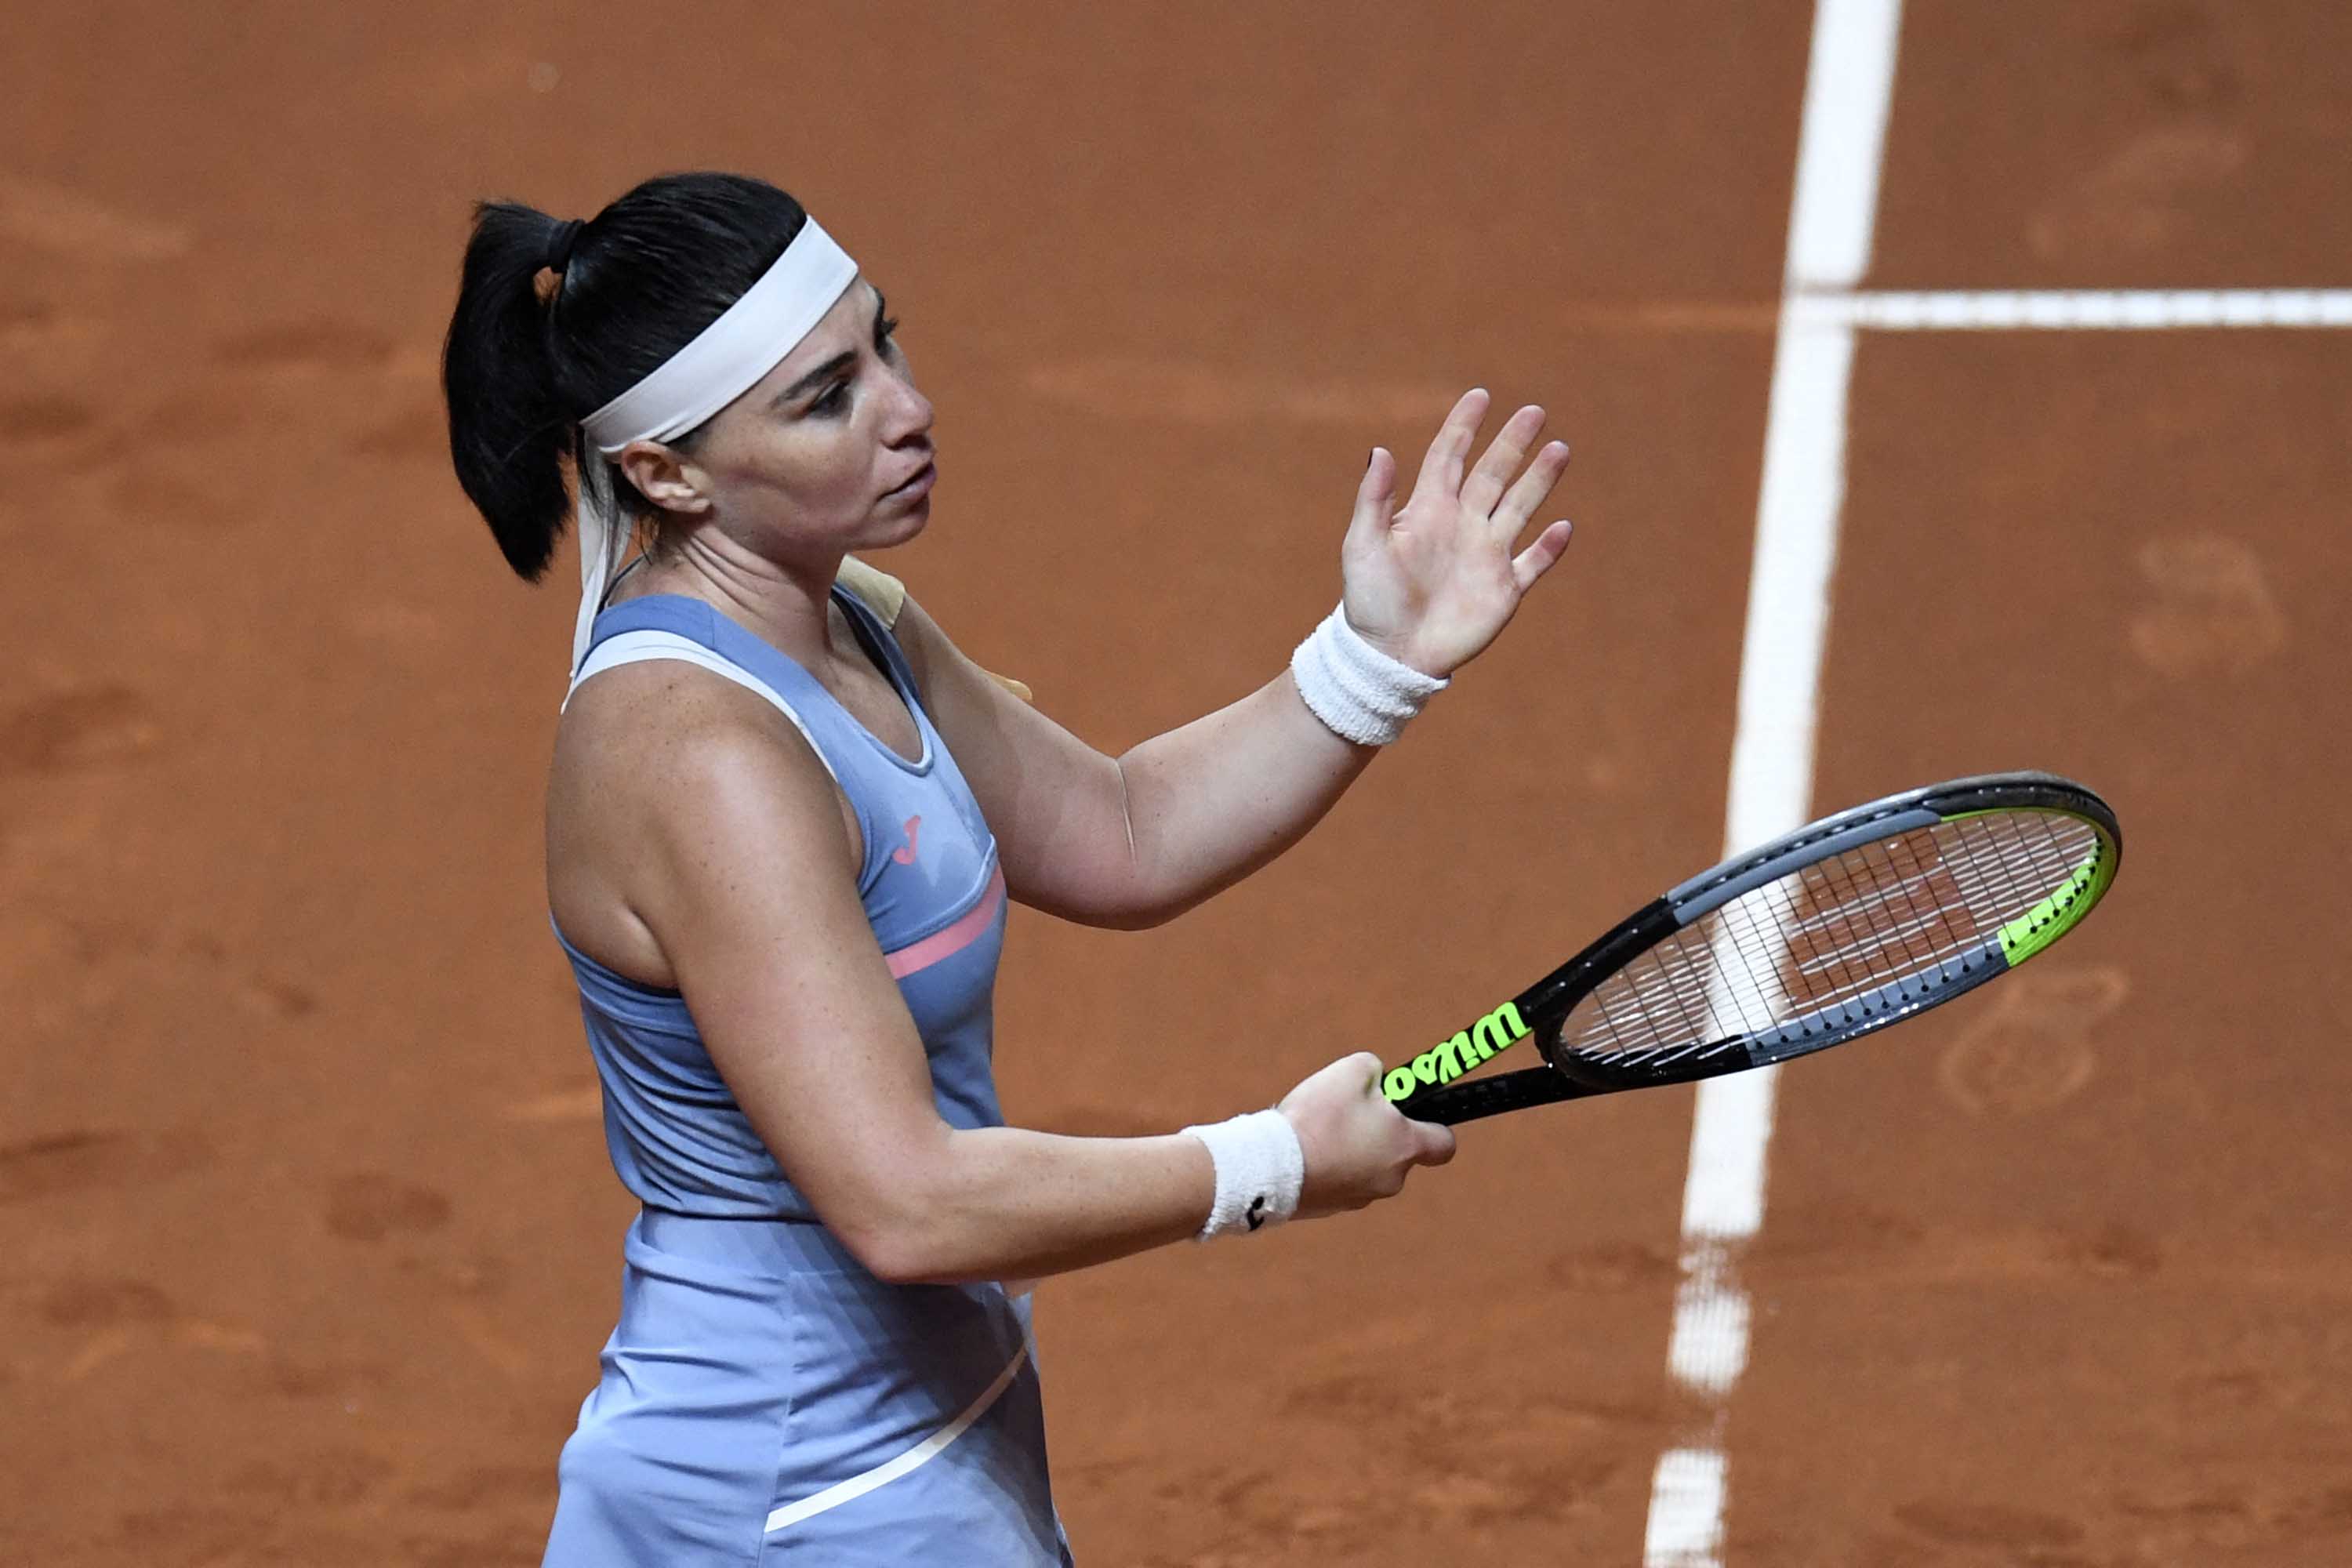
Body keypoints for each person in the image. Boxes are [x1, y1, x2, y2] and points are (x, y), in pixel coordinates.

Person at [441, 170, 1574, 1566]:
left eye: (883, 346)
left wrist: (1374, 659)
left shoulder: (850, 621)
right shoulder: (699, 755)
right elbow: (908, 1202)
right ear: (665, 473)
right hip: (792, 1492)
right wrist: (1271, 1163)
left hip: (913, 1437)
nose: (906, 409)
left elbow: (1122, 829)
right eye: (825, 398)